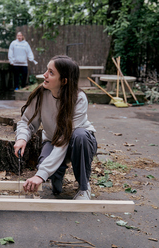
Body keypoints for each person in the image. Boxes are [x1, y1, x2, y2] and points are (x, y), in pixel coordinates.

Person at [14, 55, 97, 200]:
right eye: (47, 70)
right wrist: (22, 138)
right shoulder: (41, 93)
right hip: (53, 141)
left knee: (80, 136)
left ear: (64, 81)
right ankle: (57, 173)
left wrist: (41, 175)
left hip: (77, 143)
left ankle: (84, 188)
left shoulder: (79, 98)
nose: (45, 75)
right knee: (55, 186)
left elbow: (65, 138)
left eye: (51, 73)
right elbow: (26, 122)